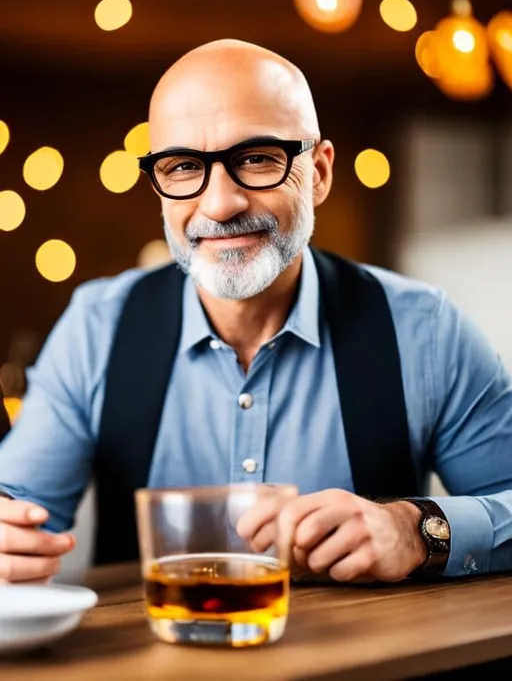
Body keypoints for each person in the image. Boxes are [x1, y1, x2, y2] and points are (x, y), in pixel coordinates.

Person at [1, 39, 512, 585]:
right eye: (181, 166)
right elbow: (20, 509)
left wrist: (417, 530)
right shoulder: (95, 326)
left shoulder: (425, 330)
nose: (220, 205)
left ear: (317, 173)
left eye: (256, 159)